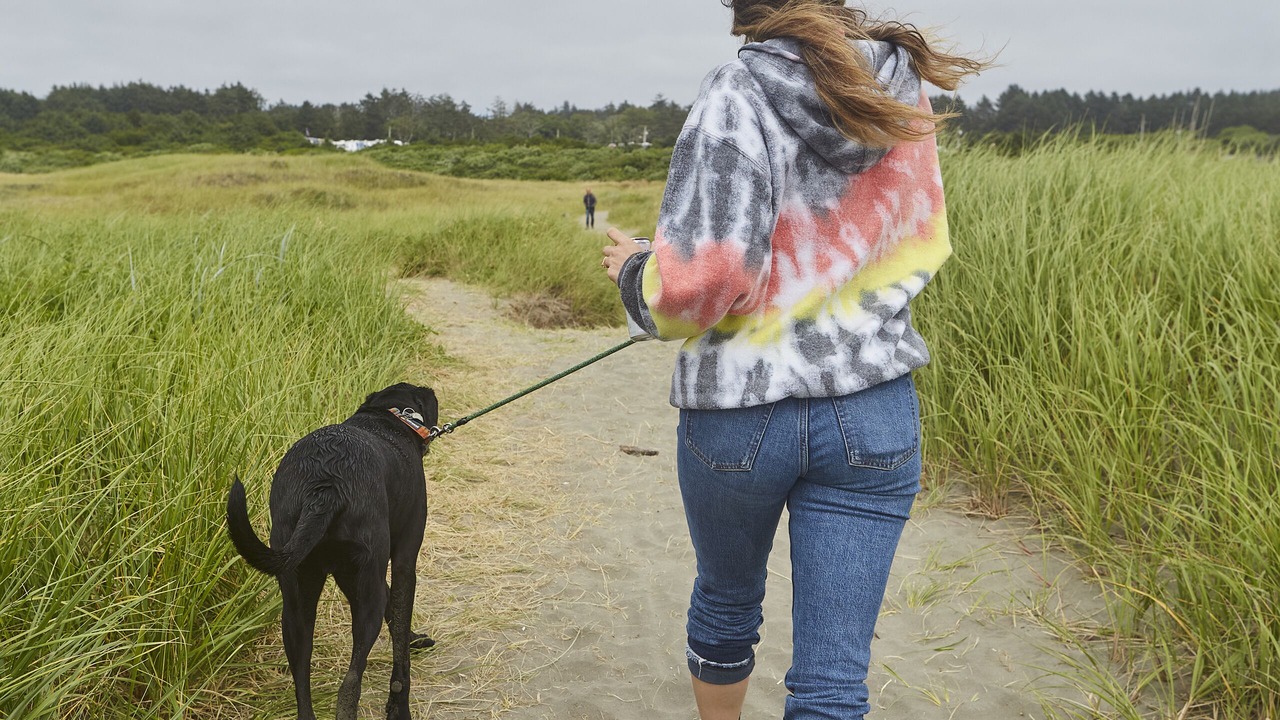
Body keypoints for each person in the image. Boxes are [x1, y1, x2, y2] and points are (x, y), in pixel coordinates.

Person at [600, 1, 985, 718]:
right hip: (874, 408)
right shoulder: (897, 88)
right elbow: (922, 234)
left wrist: (636, 271)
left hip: (741, 411)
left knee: (726, 600)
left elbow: (705, 279)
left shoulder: (734, 91)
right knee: (835, 677)